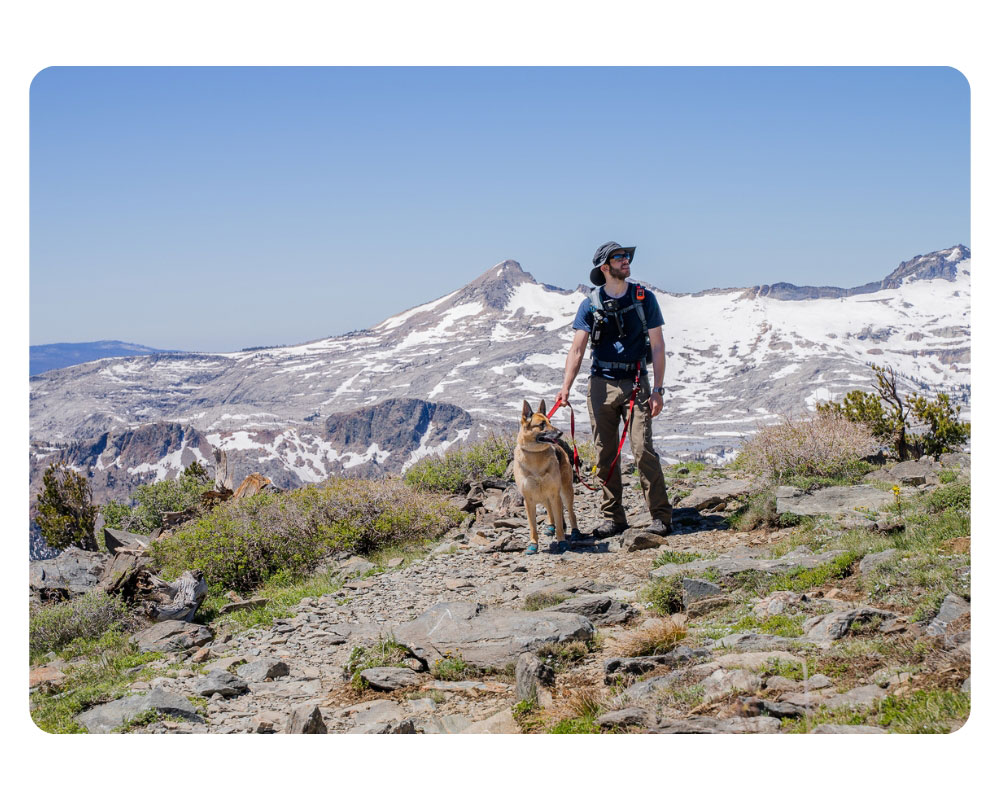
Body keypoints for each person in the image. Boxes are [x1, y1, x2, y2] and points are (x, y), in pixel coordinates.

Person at [554, 241, 673, 538]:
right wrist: (565, 388)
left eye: (626, 257)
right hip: (599, 384)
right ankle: (614, 518)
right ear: (604, 268)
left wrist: (658, 389)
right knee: (605, 453)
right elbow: (577, 349)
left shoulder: (645, 299)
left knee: (643, 449)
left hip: (636, 383)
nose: (626, 261)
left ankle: (661, 516)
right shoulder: (590, 305)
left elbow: (657, 346)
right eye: (619, 257)